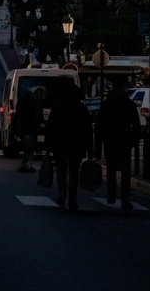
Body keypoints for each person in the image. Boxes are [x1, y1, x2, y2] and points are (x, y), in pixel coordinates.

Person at [44, 82, 93, 211]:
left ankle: (62, 193)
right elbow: (88, 130)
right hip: (76, 144)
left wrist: (48, 145)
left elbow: (50, 127)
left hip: (60, 143)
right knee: (74, 172)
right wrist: (90, 148)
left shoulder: (58, 107)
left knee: (61, 170)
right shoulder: (82, 109)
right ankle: (72, 199)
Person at [97, 79, 141, 210]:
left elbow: (99, 126)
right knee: (125, 172)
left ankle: (111, 195)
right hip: (124, 141)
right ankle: (125, 198)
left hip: (110, 141)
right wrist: (135, 141)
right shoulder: (129, 104)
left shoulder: (106, 104)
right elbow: (136, 125)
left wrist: (98, 147)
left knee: (111, 171)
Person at [14, 87, 45, 173]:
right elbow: (40, 114)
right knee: (30, 147)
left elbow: (17, 115)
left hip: (24, 127)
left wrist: (15, 128)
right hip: (33, 128)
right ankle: (28, 164)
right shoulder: (35, 103)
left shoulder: (21, 102)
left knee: (26, 147)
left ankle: (25, 164)